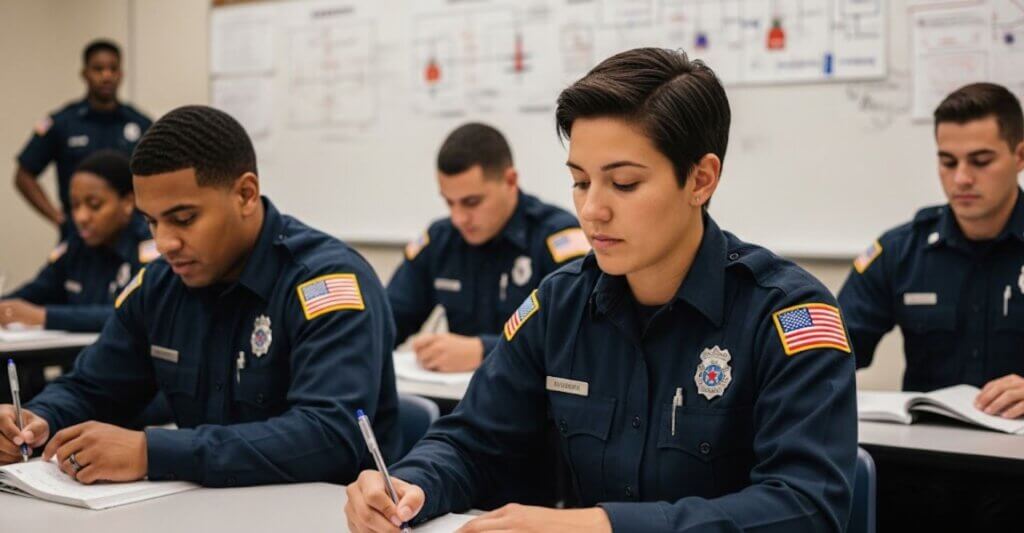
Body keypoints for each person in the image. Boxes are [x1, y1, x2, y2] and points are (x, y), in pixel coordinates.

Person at [345, 48, 857, 533]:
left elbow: (805, 507)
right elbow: (474, 440)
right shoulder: (560, 305)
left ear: (700, 180)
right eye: (581, 181)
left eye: (625, 184)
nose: (593, 210)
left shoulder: (787, 315)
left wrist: (603, 525)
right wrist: (411, 485)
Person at [0, 105, 400, 487]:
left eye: (184, 219)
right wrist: (37, 419)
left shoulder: (324, 283)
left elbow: (328, 437)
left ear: (245, 194)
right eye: (151, 222)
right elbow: (92, 387)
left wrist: (151, 452)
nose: (165, 242)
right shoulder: (161, 284)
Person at [837, 82, 1024, 530]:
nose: (961, 178)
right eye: (947, 161)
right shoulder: (902, 250)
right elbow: (833, 349)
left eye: (981, 161)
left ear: (1019, 155)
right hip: (923, 472)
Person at [388, 123, 588, 372]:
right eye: (449, 203)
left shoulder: (554, 237)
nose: (459, 218)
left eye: (471, 202)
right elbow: (389, 321)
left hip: (534, 404)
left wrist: (484, 351)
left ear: (510, 181)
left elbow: (577, 336)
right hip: (456, 401)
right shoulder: (440, 240)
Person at [0, 150, 156, 332]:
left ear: (128, 202)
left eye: (94, 205)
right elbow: (33, 294)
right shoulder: (76, 244)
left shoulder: (149, 246)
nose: (81, 217)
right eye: (75, 205)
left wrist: (44, 316)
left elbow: (138, 313)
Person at [14, 39, 152, 237]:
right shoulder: (62, 123)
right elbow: (24, 175)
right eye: (98, 69)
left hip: (130, 233)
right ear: (85, 74)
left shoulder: (140, 123)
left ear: (121, 74)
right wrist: (58, 218)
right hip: (81, 234)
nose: (107, 76)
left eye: (113, 69)